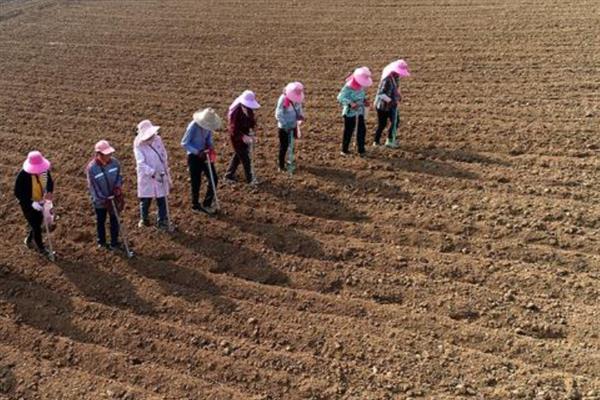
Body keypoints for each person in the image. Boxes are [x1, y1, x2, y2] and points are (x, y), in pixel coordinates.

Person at [181, 108, 221, 214]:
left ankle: (207, 203)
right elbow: (184, 143)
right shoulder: (193, 126)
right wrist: (197, 152)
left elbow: (208, 139)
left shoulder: (208, 127)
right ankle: (195, 204)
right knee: (196, 181)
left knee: (214, 178)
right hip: (194, 157)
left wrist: (210, 147)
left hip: (205, 155)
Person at [14, 151, 54, 256]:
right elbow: (17, 192)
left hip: (42, 200)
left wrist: (49, 192)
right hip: (28, 205)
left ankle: (29, 239)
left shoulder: (44, 170)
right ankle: (41, 248)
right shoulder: (23, 175)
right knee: (36, 225)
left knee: (38, 221)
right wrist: (31, 203)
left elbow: (49, 182)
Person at [86, 140, 123, 250]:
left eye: (109, 154)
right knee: (101, 220)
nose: (109, 156)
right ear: (99, 154)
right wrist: (103, 198)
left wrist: (117, 187)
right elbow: (93, 186)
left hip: (114, 197)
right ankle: (101, 242)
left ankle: (114, 242)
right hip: (100, 200)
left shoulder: (115, 163)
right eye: (106, 154)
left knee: (114, 219)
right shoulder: (92, 168)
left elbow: (119, 177)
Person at [134, 119, 172, 228]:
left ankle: (162, 220)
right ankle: (144, 219)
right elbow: (140, 163)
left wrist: (166, 174)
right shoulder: (138, 145)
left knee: (162, 198)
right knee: (146, 199)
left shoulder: (158, 139)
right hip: (147, 177)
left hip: (160, 173)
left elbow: (163, 155)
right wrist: (152, 172)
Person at [224, 90, 261, 185]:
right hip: (236, 137)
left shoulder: (248, 109)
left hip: (246, 134)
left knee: (238, 156)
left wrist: (252, 134)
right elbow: (233, 129)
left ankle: (228, 175)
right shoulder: (236, 112)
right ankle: (250, 180)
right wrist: (243, 137)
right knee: (245, 159)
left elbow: (252, 121)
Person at [373, 59, 410, 148]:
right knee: (382, 124)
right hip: (383, 106)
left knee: (395, 121)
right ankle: (376, 141)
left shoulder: (395, 78)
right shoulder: (386, 80)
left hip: (392, 106)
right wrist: (392, 101)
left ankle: (389, 140)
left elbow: (396, 89)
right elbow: (381, 94)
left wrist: (399, 95)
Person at [337, 67, 373, 157]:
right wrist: (351, 103)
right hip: (350, 113)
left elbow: (362, 95)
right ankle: (344, 150)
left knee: (361, 130)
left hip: (360, 111)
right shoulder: (348, 87)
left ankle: (361, 149)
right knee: (348, 131)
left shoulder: (361, 86)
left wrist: (365, 101)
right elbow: (340, 97)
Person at [275, 82, 305, 172]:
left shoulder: (297, 99)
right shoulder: (283, 99)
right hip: (284, 127)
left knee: (291, 145)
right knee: (283, 146)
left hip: (293, 125)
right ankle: (280, 165)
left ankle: (290, 160)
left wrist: (300, 116)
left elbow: (299, 109)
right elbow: (278, 114)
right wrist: (285, 125)